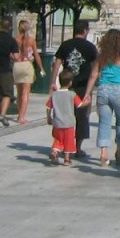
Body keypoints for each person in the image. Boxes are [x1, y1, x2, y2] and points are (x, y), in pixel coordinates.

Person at [82, 29, 120, 167]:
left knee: (104, 123)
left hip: (103, 90)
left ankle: (103, 153)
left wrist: (87, 93)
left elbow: (94, 74)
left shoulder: (102, 56)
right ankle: (118, 151)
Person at [51, 20, 98, 158]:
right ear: (85, 31)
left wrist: (53, 81)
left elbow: (57, 63)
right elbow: (96, 66)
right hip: (84, 85)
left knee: (65, 115)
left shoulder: (65, 45)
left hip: (67, 84)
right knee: (82, 116)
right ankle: (77, 147)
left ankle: (63, 145)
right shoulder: (90, 47)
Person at [46, 69, 82, 166]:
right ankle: (66, 160)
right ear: (70, 83)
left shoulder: (54, 95)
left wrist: (49, 117)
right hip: (69, 123)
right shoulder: (72, 94)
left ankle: (54, 152)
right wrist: (86, 101)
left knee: (58, 139)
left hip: (57, 123)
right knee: (68, 141)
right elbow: (79, 105)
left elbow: (48, 107)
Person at [0, 16, 19, 128]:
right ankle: (3, 114)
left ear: (0, 25)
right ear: (9, 27)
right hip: (5, 70)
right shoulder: (11, 40)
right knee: (7, 94)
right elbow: (16, 57)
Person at [13, 18, 45, 124]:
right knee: (26, 92)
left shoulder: (15, 39)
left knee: (19, 92)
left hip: (17, 65)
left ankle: (19, 114)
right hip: (27, 65)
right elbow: (36, 55)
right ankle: (22, 117)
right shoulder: (31, 41)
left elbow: (11, 53)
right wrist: (41, 68)